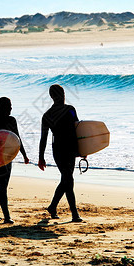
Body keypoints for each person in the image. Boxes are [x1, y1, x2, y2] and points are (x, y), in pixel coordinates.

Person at [38, 84, 82, 222]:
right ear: (55, 96)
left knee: (67, 179)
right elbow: (77, 130)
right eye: (61, 94)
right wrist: (40, 158)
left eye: (63, 94)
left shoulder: (48, 115)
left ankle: (53, 207)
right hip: (64, 148)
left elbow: (43, 139)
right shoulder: (69, 110)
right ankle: (74, 214)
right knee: (68, 178)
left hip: (62, 149)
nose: (62, 97)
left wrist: (41, 157)